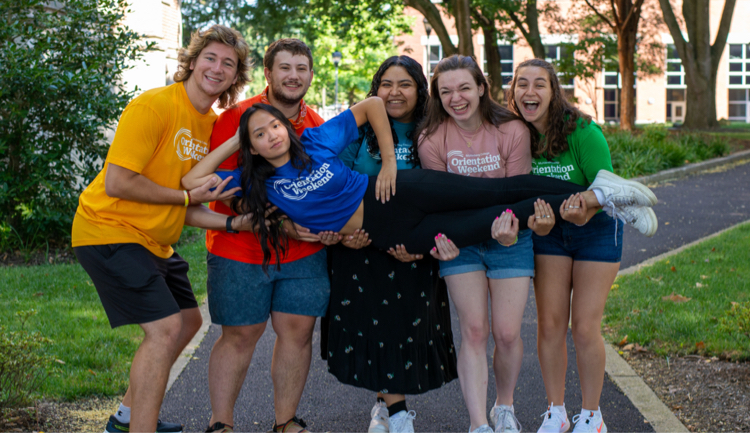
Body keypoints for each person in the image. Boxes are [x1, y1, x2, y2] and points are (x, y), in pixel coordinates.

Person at [181, 96, 657, 263]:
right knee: (497, 217)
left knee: (497, 188)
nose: (271, 137)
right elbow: (190, 186)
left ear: (287, 129)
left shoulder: (317, 143)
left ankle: (602, 193)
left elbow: (370, 106)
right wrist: (236, 141)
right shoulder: (252, 182)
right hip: (390, 233)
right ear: (254, 147)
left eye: (273, 127)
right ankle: (605, 195)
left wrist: (389, 163)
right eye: (259, 135)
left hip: (395, 190)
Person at [71, 25, 252, 433]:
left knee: (188, 321)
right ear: (192, 62)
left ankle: (125, 418)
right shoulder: (153, 106)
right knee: (166, 329)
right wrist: (187, 198)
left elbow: (187, 205)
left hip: (154, 241)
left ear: (234, 78)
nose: (217, 67)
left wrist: (234, 222)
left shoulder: (210, 125)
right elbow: (120, 183)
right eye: (210, 57)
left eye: (229, 63)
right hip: (109, 229)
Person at [507, 58, 657, 433]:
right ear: (512, 93)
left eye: (539, 84)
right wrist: (536, 225)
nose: (530, 92)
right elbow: (518, 194)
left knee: (585, 327)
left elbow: (599, 183)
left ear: (553, 91)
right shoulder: (513, 135)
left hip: (597, 227)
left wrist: (587, 208)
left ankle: (592, 415)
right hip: (550, 231)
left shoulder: (582, 131)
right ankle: (556, 412)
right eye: (521, 84)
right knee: (550, 324)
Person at [320, 56, 460, 433]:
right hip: (360, 248)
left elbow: (444, 191)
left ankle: (385, 407)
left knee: (404, 330)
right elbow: (333, 184)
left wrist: (424, 244)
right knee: (372, 329)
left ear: (419, 90)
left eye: (404, 84)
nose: (394, 92)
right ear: (376, 89)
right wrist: (344, 236)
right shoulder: (357, 132)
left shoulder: (433, 131)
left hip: (414, 250)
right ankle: (396, 413)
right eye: (386, 84)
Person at [418, 54, 554, 433]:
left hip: (509, 237)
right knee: (474, 331)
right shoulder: (432, 138)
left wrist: (510, 228)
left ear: (481, 88)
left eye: (463, 88)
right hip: (460, 243)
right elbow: (440, 202)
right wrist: (441, 240)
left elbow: (516, 192)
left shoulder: (512, 131)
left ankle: (504, 406)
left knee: (508, 332)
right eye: (445, 91)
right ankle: (478, 423)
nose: (455, 98)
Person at [200, 39, 327, 433]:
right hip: (239, 249)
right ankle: (221, 424)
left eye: (301, 68)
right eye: (284, 67)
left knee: (297, 333)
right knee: (240, 335)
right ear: (268, 74)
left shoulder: (318, 127)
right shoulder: (236, 118)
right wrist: (262, 217)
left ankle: (285, 422)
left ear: (309, 75)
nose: (293, 75)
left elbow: (324, 189)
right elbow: (212, 185)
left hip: (302, 254)